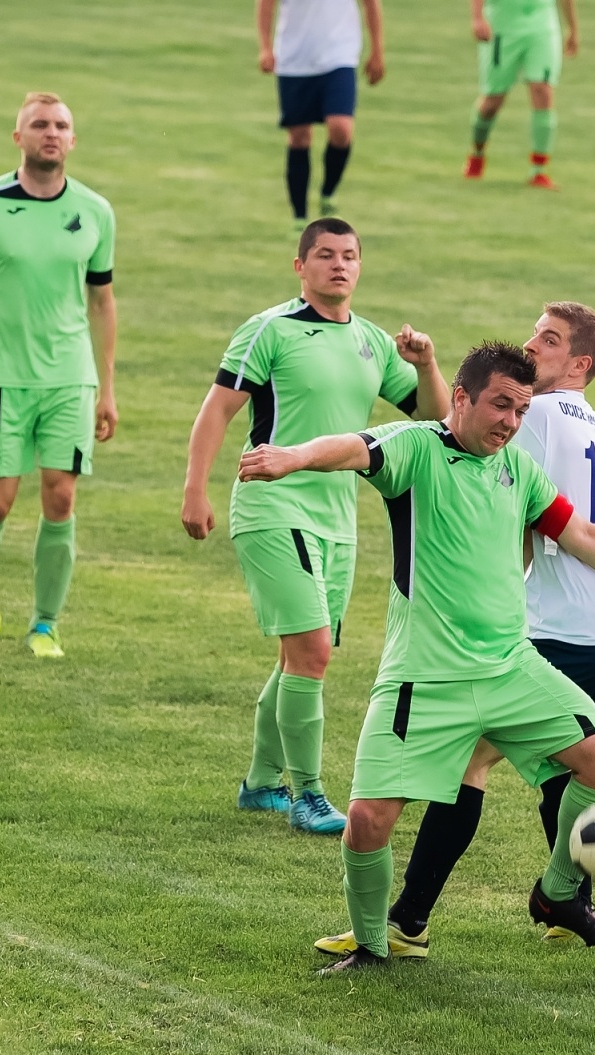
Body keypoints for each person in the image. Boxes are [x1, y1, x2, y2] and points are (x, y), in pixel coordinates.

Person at [237, 342, 595, 973]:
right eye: (501, 405)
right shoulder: (418, 449)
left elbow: (579, 535)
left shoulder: (517, 471)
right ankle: (373, 945)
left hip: (508, 668)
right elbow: (352, 447)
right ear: (462, 398)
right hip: (424, 676)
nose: (510, 423)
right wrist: (290, 457)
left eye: (521, 411)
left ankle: (555, 896)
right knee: (366, 821)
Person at [315, 302, 595, 960]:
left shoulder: (541, 418)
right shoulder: (581, 418)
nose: (532, 347)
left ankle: (474, 909)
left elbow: (455, 430)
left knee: (482, 759)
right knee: (527, 762)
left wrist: (431, 371)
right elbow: (447, 437)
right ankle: (541, 901)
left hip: (563, 628)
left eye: (548, 340)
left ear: (578, 365)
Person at [182, 218, 450, 835]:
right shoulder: (269, 330)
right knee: (312, 653)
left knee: (298, 657)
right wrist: (195, 490)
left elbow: (434, 420)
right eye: (325, 255)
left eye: (350, 256)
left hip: (338, 522)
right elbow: (217, 410)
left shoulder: (374, 342)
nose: (339, 265)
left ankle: (258, 785)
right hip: (272, 507)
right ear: (299, 266)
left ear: (360, 267)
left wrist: (428, 363)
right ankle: (306, 796)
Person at [0, 91, 119, 659]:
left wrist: (106, 388)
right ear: (19, 137)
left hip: (70, 378)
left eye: (62, 125)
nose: (51, 133)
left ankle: (45, 624)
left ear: (73, 139)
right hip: (0, 377)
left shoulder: (94, 211)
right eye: (39, 124)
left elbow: (103, 302)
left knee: (60, 496)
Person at [258, 0, 386, 229]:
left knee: (341, 128)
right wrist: (265, 47)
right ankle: (299, 216)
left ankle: (328, 190)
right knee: (299, 136)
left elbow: (371, 4)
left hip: (340, 56)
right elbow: (266, 4)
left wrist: (377, 50)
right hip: (294, 60)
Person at [462, 0, 578, 189]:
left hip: (542, 24)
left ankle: (539, 170)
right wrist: (477, 18)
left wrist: (573, 28)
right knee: (493, 101)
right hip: (502, 25)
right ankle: (477, 153)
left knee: (543, 91)